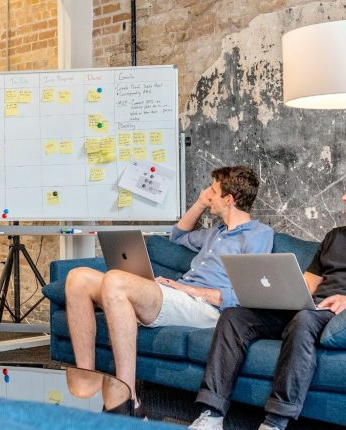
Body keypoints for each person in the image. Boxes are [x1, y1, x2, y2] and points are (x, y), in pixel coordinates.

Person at [188, 163, 346, 430]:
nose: (344, 196)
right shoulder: (335, 237)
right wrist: (273, 295)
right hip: (315, 310)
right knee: (235, 316)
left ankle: (274, 422)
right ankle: (212, 415)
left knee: (305, 318)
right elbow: (306, 284)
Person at [65, 166, 274, 416]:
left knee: (116, 281)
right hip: (180, 297)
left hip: (207, 309)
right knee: (78, 278)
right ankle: (87, 376)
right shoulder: (215, 233)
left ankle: (128, 399)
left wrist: (190, 289)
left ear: (229, 200)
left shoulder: (258, 235)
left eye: (213, 190)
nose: (207, 193)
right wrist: (199, 203)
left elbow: (245, 294)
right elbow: (177, 235)